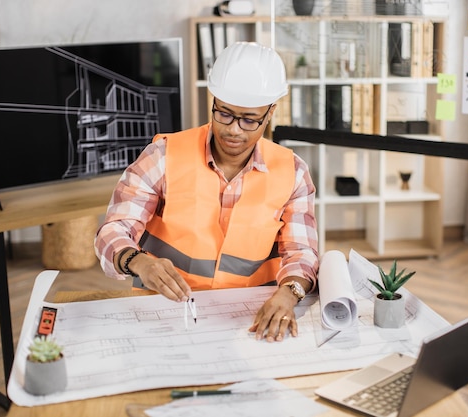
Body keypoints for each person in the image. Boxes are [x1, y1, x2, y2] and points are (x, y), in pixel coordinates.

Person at [94, 42, 319, 343]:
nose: (234, 130)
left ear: (270, 114)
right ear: (213, 101)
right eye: (224, 113)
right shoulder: (162, 156)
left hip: (250, 318)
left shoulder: (293, 172)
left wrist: (289, 294)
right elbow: (113, 229)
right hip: (164, 312)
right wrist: (138, 261)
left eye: (249, 119)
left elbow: (301, 252)